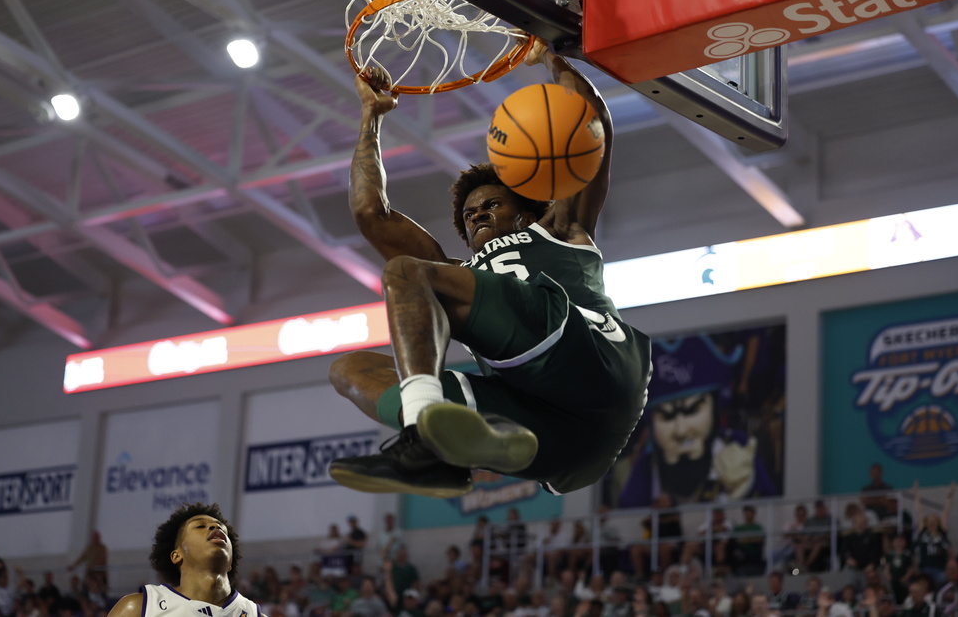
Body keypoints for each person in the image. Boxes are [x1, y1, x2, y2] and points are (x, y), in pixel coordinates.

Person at [326, 39, 652, 498]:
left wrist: (549, 55)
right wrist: (371, 118)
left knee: (406, 271)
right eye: (468, 215)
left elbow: (591, 120)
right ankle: (476, 444)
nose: (475, 215)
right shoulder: (455, 273)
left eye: (491, 204)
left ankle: (423, 443)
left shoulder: (561, 226)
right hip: (573, 446)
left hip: (592, 360)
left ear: (525, 211)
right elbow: (370, 214)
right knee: (349, 368)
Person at [615, 334, 777, 507]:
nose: (681, 430)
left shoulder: (737, 445)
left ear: (714, 410)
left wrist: (747, 487)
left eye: (692, 411)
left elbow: (774, 506)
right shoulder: (647, 467)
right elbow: (626, 515)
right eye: (667, 416)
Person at [107, 502, 262, 617]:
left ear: (230, 562)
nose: (215, 528)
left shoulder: (253, 614)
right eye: (200, 526)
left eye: (222, 528)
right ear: (176, 555)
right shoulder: (139, 608)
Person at [912, 481, 955, 588]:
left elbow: (946, 512)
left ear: (937, 522)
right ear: (926, 523)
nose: (931, 523)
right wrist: (917, 495)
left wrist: (950, 496)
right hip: (925, 568)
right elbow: (920, 512)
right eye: (929, 521)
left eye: (934, 520)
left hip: (939, 568)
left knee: (941, 585)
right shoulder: (923, 533)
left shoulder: (942, 533)